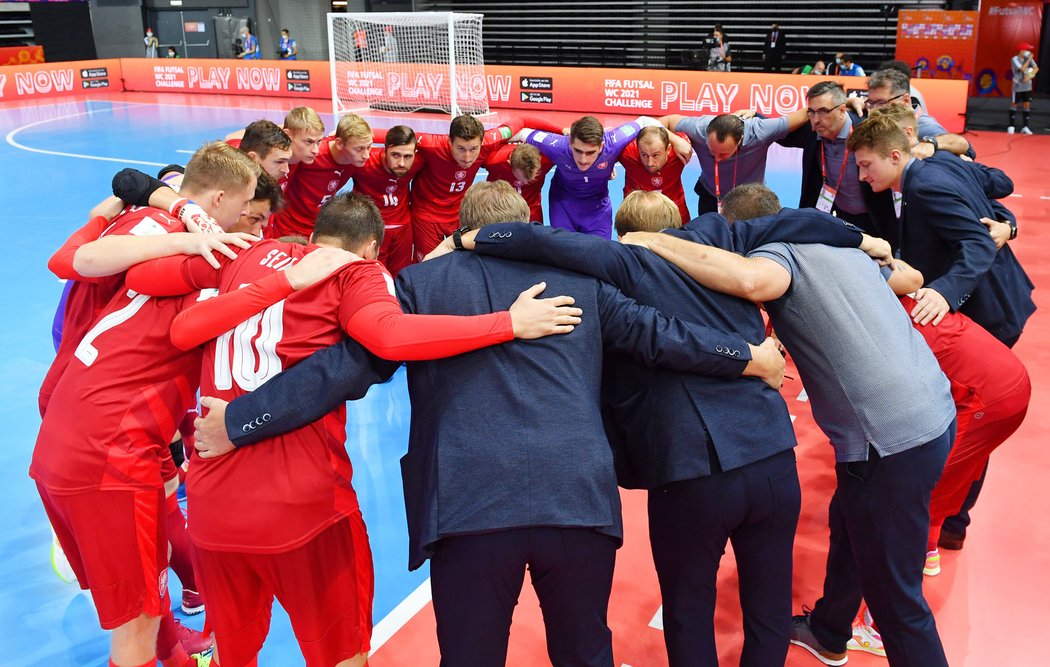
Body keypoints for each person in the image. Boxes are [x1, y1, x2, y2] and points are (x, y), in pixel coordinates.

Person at [191, 181, 788, 667]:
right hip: (576, 500)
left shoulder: (417, 286)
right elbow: (666, 340)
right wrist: (749, 358)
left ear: (460, 231)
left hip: (467, 508)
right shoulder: (584, 283)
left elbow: (339, 369)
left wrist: (241, 420)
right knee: (585, 655)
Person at [123, 191, 584, 667]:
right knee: (342, 655)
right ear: (370, 248)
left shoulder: (254, 253)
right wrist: (509, 322)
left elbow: (168, 313)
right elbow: (390, 336)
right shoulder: (356, 272)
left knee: (232, 654)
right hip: (302, 505)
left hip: (211, 503)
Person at [439, 189, 890, 667]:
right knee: (768, 601)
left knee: (689, 607)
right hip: (772, 455)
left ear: (625, 233)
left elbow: (544, 241)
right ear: (680, 219)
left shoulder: (625, 262)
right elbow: (796, 220)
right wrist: (863, 240)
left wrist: (467, 238)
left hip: (690, 469)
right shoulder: (720, 237)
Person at [622, 183, 957, 667]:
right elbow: (908, 277)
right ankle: (830, 628)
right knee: (849, 527)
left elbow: (752, 282)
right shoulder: (838, 246)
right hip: (931, 413)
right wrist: (868, 249)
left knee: (895, 600)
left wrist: (652, 240)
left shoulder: (779, 255)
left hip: (888, 438)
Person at [31, 142, 261, 667]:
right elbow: (73, 261)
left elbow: (124, 267)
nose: (247, 223)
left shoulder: (159, 243)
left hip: (89, 410)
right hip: (106, 430)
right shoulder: (162, 235)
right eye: (247, 210)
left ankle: (177, 649)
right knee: (136, 619)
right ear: (221, 199)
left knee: (148, 573)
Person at [848, 115, 1035, 347]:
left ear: (894, 156)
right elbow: (976, 192)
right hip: (1006, 292)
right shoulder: (941, 161)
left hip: (990, 310)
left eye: (866, 165)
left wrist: (945, 292)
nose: (862, 176)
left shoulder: (923, 187)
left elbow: (978, 242)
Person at [519, 115, 655, 238]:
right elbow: (522, 132)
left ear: (601, 147)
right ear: (570, 143)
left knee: (599, 256)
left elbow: (644, 121)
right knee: (563, 256)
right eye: (578, 151)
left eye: (590, 153)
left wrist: (676, 142)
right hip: (563, 206)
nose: (583, 159)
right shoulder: (557, 145)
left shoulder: (614, 141)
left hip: (597, 209)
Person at [661, 108, 809, 215]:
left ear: (739, 141)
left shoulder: (760, 131)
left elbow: (805, 113)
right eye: (712, 152)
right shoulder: (698, 128)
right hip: (711, 197)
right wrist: (675, 140)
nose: (717, 159)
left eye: (723, 154)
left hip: (750, 201)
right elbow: (662, 122)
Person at [268, 113, 374, 240]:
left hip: (321, 229)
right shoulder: (309, 156)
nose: (366, 155)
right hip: (289, 230)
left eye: (369, 147)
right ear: (340, 144)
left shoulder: (356, 158)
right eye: (360, 149)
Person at [350, 125, 423, 274]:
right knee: (372, 274)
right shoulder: (363, 163)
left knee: (401, 275)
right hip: (370, 228)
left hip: (402, 228)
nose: (402, 163)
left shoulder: (419, 162)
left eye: (408, 156)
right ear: (385, 149)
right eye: (395, 155)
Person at [864, 68, 972, 158]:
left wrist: (931, 142)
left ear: (905, 101)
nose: (874, 110)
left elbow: (964, 146)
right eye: (871, 103)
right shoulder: (876, 117)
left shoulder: (924, 125)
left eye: (881, 103)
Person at [616, 126, 693, 224]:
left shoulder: (681, 149)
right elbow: (605, 150)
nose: (650, 163)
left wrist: (676, 140)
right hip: (635, 216)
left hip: (675, 214)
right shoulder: (627, 151)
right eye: (644, 155)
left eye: (656, 155)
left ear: (668, 149)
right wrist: (609, 164)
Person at [485, 142, 553, 224]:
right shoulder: (493, 161)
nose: (524, 182)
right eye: (521, 177)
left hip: (532, 209)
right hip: (499, 209)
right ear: (510, 163)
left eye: (531, 179)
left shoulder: (548, 160)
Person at [1009, 42, 1039, 134]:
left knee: (1026, 104)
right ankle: (1011, 126)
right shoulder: (1015, 59)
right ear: (1022, 51)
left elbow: (1036, 68)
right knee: (1014, 104)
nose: (1028, 52)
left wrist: (1029, 76)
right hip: (1017, 86)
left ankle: (1025, 127)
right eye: (1026, 50)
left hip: (1027, 86)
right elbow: (1022, 69)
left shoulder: (1029, 59)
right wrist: (1029, 58)